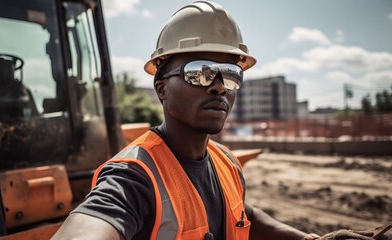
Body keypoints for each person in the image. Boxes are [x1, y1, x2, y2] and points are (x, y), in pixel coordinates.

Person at [52, 1, 386, 240]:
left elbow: (245, 216)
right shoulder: (134, 177)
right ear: (162, 89)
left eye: (230, 74)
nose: (217, 86)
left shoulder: (225, 162)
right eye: (199, 72)